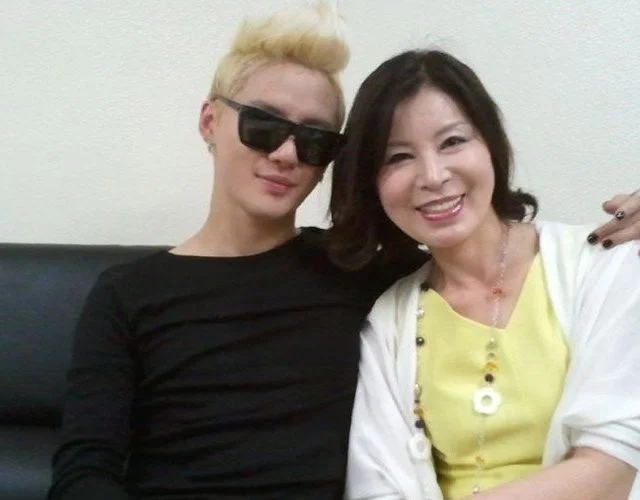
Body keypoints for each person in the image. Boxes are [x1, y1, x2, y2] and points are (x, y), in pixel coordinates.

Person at [48, 2, 640, 498]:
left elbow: (480, 252)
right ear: (209, 122)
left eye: (314, 141)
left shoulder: (358, 272)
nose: (285, 153)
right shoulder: (129, 293)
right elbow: (85, 471)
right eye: (262, 125)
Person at [328, 49, 640, 499]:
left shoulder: (603, 263)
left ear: (491, 144)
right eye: (398, 157)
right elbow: (378, 486)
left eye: (452, 141)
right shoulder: (390, 322)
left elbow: (610, 471)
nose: (433, 175)